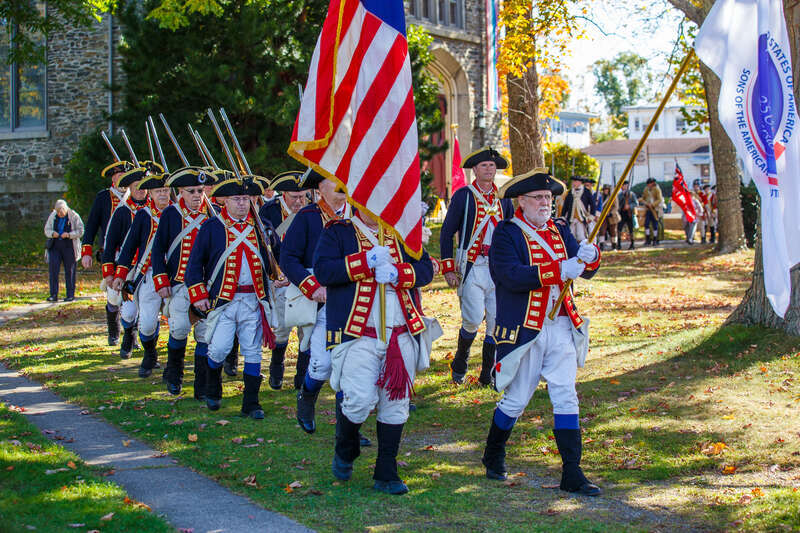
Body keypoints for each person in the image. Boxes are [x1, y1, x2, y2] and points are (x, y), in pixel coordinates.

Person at [481, 168, 602, 497]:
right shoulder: (506, 233)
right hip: (526, 329)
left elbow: (585, 268)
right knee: (517, 399)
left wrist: (590, 257)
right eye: (538, 198)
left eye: (549, 197)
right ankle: (493, 452)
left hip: (562, 324)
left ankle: (572, 471)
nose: (546, 203)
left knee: (566, 395)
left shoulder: (560, 229)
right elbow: (509, 275)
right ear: (521, 201)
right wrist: (559, 269)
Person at [314, 207, 434, 494]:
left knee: (396, 404)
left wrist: (397, 273)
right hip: (359, 335)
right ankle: (346, 448)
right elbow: (324, 270)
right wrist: (365, 262)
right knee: (358, 401)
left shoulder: (402, 233)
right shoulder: (339, 232)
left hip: (401, 332)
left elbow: (426, 269)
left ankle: (386, 472)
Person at [185, 175, 285, 419]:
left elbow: (279, 256)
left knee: (253, 351)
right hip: (223, 302)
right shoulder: (212, 226)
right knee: (218, 349)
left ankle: (251, 403)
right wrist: (198, 295)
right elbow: (194, 264)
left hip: (254, 300)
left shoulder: (262, 226)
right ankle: (212, 389)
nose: (242, 203)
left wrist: (281, 274)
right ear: (225, 201)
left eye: (245, 198)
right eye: (236, 199)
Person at [285, 173, 370, 448]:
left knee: (350, 367)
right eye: (335, 179)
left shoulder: (359, 215)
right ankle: (306, 398)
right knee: (322, 365)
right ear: (320, 187)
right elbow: (288, 258)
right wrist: (311, 286)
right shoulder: (308, 217)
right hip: (322, 301)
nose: (343, 184)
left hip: (354, 299)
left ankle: (347, 430)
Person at [439, 147, 514, 386]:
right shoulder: (463, 196)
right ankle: (460, 360)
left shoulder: (504, 198)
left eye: (492, 165)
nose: (489, 169)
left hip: (497, 268)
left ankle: (487, 374)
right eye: (484, 165)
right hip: (472, 265)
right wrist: (448, 268)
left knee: (495, 323)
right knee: (471, 319)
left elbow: (511, 231)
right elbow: (447, 232)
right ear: (475, 169)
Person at [151, 167, 215, 397]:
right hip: (179, 284)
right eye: (192, 191)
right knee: (179, 329)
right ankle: (174, 375)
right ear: (181, 192)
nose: (197, 195)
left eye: (200, 190)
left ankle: (202, 385)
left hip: (207, 286)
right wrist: (161, 280)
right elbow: (158, 249)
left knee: (205, 334)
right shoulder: (171, 214)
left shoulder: (213, 214)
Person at [112, 171, 172, 377]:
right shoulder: (144, 215)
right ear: (151, 194)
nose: (163, 194)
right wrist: (120, 274)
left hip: (175, 275)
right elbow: (129, 246)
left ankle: (174, 364)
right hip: (149, 273)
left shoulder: (178, 214)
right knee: (147, 323)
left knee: (178, 322)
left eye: (165, 190)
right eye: (158, 191)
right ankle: (150, 353)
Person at [102, 162, 160, 359]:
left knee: (151, 311)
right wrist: (110, 273)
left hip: (152, 267)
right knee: (128, 311)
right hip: (129, 269)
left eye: (144, 186)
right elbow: (110, 244)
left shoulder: (158, 211)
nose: (141, 190)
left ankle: (150, 350)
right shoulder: (122, 211)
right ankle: (128, 334)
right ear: (130, 188)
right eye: (137, 186)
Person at [260, 170, 311, 390]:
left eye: (302, 196)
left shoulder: (312, 211)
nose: (299, 201)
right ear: (283, 196)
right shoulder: (269, 211)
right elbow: (264, 246)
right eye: (294, 197)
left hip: (305, 276)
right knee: (281, 328)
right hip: (279, 277)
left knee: (306, 328)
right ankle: (276, 366)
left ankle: (302, 375)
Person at [81, 160, 133, 345]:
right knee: (113, 296)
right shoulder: (103, 197)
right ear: (113, 178)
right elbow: (92, 225)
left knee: (132, 295)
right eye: (119, 175)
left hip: (134, 254)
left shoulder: (136, 196)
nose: (122, 179)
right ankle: (114, 332)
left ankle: (131, 335)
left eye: (125, 176)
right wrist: (86, 251)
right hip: (111, 253)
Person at [44, 199, 84, 302]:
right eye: (57, 211)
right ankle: (53, 294)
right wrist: (52, 233)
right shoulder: (53, 216)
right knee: (53, 270)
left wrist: (69, 235)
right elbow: (46, 230)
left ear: (66, 209)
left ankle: (70, 295)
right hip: (55, 246)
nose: (59, 213)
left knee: (70, 271)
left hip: (69, 246)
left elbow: (81, 231)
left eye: (61, 211)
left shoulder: (74, 216)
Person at [559, 177, 594, 242]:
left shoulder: (586, 191)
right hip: (571, 219)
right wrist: (562, 217)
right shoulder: (570, 192)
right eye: (573, 181)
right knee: (571, 236)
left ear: (580, 182)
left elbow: (593, 204)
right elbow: (565, 205)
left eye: (575, 181)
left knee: (581, 237)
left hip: (582, 218)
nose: (573, 183)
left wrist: (591, 216)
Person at [595, 184, 619, 251]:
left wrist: (611, 213)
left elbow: (616, 207)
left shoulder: (613, 196)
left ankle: (614, 246)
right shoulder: (600, 197)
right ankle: (602, 246)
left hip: (612, 216)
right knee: (602, 231)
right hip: (603, 216)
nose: (606, 191)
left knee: (613, 232)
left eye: (607, 189)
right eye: (605, 189)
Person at [641, 178, 664, 246]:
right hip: (648, 209)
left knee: (655, 225)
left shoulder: (657, 189)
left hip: (655, 209)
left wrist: (653, 204)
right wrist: (644, 202)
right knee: (647, 224)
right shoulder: (646, 189)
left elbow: (659, 199)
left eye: (650, 184)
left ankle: (655, 239)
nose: (649, 185)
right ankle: (648, 239)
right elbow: (643, 197)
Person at [616, 180, 638, 250]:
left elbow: (636, 203)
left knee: (631, 229)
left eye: (624, 185)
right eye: (622, 185)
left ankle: (632, 244)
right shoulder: (619, 195)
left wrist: (629, 206)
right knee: (619, 229)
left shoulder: (631, 194)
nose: (623, 187)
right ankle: (619, 244)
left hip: (629, 214)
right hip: (622, 213)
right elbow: (617, 204)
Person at [692, 180, 708, 244]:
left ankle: (703, 238)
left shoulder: (702, 194)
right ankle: (692, 238)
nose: (696, 187)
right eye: (695, 186)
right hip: (693, 213)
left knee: (702, 226)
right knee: (693, 226)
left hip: (701, 212)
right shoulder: (692, 194)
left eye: (697, 186)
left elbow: (705, 202)